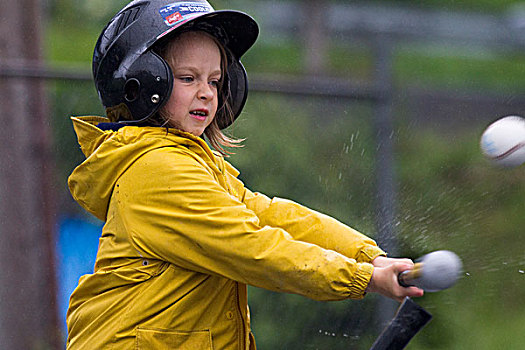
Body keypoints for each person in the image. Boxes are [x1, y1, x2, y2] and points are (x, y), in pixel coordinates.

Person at [65, 1, 423, 349]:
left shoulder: (195, 165)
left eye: (216, 81)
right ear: (140, 84)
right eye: (188, 78)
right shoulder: (157, 172)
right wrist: (363, 278)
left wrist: (368, 257)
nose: (207, 93)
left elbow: (271, 215)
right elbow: (254, 249)